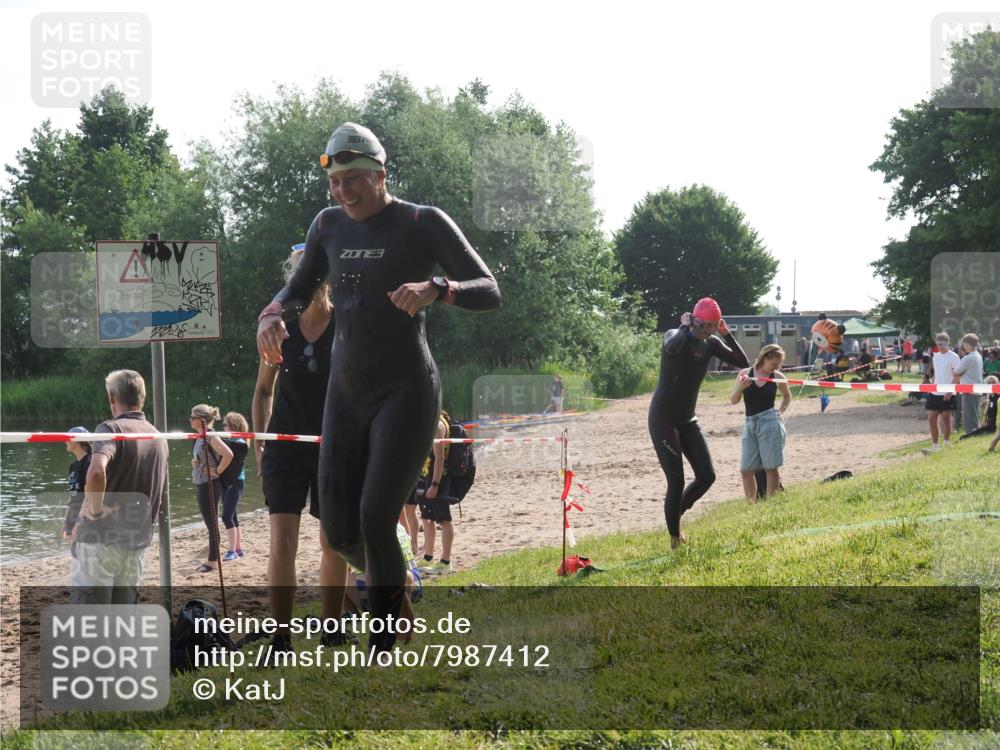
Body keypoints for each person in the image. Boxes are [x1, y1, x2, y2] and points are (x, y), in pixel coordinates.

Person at [256, 122, 500, 652]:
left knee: (373, 515)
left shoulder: (420, 221)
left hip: (405, 390)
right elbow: (296, 290)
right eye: (335, 184)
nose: (343, 193)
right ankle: (400, 597)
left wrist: (439, 288)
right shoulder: (326, 226)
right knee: (339, 529)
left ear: (380, 176)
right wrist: (272, 314)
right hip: (346, 394)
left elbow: (489, 289)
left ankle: (384, 647)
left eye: (353, 181)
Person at [252, 244, 348, 652]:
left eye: (314, 275)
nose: (307, 283)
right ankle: (281, 636)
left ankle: (333, 630)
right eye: (298, 276)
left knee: (333, 541)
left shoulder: (346, 324)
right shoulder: (278, 330)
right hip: (284, 447)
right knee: (282, 542)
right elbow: (262, 393)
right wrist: (261, 446)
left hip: (335, 446)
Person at [649, 297, 749, 549]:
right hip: (663, 418)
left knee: (707, 475)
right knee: (677, 480)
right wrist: (684, 327)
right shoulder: (675, 334)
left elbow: (742, 362)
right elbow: (672, 347)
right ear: (696, 321)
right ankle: (675, 537)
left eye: (716, 326)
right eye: (709, 326)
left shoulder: (712, 342)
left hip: (687, 419)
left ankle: (675, 515)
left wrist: (727, 335)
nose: (712, 331)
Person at [71, 370, 168, 604]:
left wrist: (94, 510)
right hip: (136, 540)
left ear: (112, 397)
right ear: (142, 398)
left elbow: (95, 471)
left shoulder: (110, 429)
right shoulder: (158, 436)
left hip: (101, 539)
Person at [731, 344, 791, 502]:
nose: (776, 367)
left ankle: (770, 503)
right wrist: (741, 387)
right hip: (750, 424)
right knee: (746, 470)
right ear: (765, 359)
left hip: (770, 422)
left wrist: (782, 409)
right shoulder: (745, 374)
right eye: (774, 364)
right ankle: (751, 504)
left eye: (778, 365)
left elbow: (787, 396)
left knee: (771, 467)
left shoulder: (777, 376)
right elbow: (733, 400)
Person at [189, 404, 233, 573]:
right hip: (201, 482)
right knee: (210, 523)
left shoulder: (210, 436)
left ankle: (212, 562)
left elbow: (228, 454)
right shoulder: (200, 436)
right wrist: (196, 461)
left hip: (210, 484)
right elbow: (206, 455)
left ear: (201, 420)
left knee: (211, 524)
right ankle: (212, 560)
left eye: (192, 417)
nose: (190, 420)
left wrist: (217, 470)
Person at [416, 413, 453, 573]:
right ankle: (428, 557)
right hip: (426, 475)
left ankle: (445, 561)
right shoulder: (428, 421)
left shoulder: (437, 426)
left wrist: (435, 485)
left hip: (438, 478)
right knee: (426, 518)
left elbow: (440, 459)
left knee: (444, 520)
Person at [923, 332, 960, 454]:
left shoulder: (954, 356)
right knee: (931, 419)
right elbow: (936, 373)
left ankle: (946, 442)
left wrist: (950, 391)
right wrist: (932, 382)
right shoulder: (935, 356)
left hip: (948, 392)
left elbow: (956, 376)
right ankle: (935, 445)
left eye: (943, 344)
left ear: (948, 343)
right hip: (935, 392)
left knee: (946, 419)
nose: (940, 346)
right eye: (938, 344)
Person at [219, 411, 249, 561]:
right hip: (229, 482)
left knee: (226, 517)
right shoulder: (231, 441)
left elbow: (227, 451)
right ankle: (238, 548)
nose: (223, 428)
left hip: (235, 482)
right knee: (233, 516)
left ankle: (232, 551)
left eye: (225, 425)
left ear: (233, 426)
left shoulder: (239, 444)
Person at [62, 426, 92, 541]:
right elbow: (72, 495)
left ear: (77, 441)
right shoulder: (73, 466)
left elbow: (89, 496)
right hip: (74, 518)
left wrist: (78, 524)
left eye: (68, 438)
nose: (65, 441)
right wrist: (66, 521)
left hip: (86, 520)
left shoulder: (90, 463)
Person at [953, 333, 984, 436]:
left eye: (964, 343)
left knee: (969, 419)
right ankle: (974, 435)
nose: (963, 346)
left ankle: (970, 436)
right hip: (976, 390)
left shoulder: (968, 358)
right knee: (974, 416)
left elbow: (956, 373)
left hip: (968, 391)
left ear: (968, 344)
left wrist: (959, 375)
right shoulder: (978, 355)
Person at [959, 376, 998, 440]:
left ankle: (965, 437)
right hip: (990, 424)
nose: (991, 384)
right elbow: (986, 414)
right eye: (989, 383)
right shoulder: (991, 397)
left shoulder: (997, 397)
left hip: (995, 426)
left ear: (997, 383)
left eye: (993, 382)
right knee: (974, 432)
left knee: (972, 434)